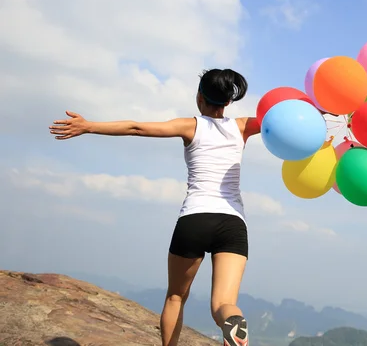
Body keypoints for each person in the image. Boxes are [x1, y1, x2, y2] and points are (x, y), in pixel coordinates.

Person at [49, 68, 264, 346]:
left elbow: (136, 128)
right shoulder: (244, 126)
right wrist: (330, 115)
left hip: (196, 218)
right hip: (233, 223)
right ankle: (233, 322)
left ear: (200, 98)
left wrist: (88, 126)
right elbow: (290, 122)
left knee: (176, 296)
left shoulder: (190, 125)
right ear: (228, 102)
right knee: (223, 303)